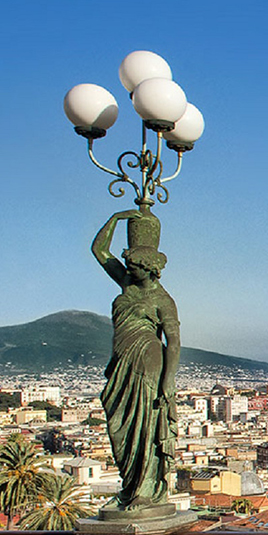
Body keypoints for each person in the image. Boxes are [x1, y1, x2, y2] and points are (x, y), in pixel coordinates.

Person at [91, 208, 180, 511]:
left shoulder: (163, 301)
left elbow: (175, 341)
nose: (128, 268)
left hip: (148, 363)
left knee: (145, 425)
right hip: (121, 364)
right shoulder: (127, 284)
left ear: (150, 269)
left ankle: (144, 489)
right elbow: (99, 250)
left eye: (134, 265)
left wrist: (168, 381)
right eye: (127, 264)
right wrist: (115, 218)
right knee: (120, 424)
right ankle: (130, 485)